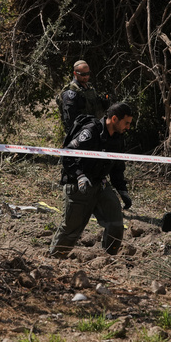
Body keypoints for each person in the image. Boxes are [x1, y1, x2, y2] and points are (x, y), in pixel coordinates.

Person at [48, 102, 135, 258]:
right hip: (78, 185)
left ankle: (108, 260)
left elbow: (117, 166)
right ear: (114, 119)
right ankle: (54, 261)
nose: (128, 127)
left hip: (100, 185)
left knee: (116, 224)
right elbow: (67, 155)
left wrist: (122, 189)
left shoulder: (118, 138)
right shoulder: (90, 132)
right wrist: (80, 175)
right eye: (126, 123)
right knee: (71, 230)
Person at [57, 60, 110, 134]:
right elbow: (69, 120)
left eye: (88, 73)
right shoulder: (71, 92)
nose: (86, 76)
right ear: (75, 73)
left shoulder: (89, 88)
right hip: (80, 134)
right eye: (83, 74)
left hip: (94, 130)